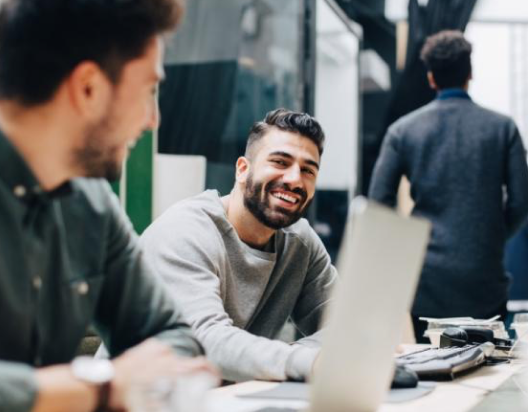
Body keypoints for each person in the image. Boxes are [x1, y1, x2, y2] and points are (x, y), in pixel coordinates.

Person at [0, 1, 217, 412]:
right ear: (88, 89)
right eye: (149, 91)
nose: (152, 120)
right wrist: (96, 385)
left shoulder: (92, 205)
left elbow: (174, 337)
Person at [140, 109, 337, 382]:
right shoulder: (184, 232)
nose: (294, 179)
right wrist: (308, 360)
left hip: (231, 400)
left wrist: (310, 356)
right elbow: (206, 343)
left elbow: (344, 328)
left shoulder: (300, 243)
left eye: (307, 170)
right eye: (280, 162)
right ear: (242, 169)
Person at [368, 30, 528, 342]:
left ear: (431, 78)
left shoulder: (402, 131)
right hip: (484, 277)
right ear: (470, 73)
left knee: (432, 368)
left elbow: (378, 204)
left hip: (425, 280)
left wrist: (410, 244)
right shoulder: (503, 128)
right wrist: (492, 235)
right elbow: (522, 202)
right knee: (487, 370)